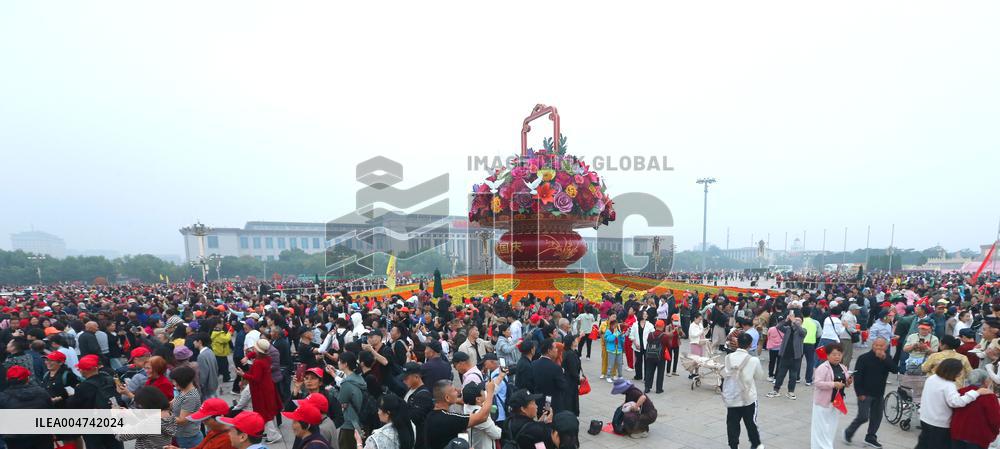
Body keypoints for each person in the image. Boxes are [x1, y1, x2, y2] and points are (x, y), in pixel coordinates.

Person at [917, 358, 991, 449]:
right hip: (939, 423)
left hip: (925, 417)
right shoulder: (948, 385)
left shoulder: (932, 378)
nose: (960, 373)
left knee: (923, 443)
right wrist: (976, 393)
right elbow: (956, 402)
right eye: (959, 371)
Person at [844, 337, 896, 448]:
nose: (878, 348)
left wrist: (885, 358)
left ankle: (871, 437)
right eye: (876, 345)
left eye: (881, 346)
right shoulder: (863, 358)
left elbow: (895, 369)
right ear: (872, 345)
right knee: (863, 416)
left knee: (877, 417)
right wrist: (859, 393)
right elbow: (858, 377)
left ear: (886, 347)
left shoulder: (887, 358)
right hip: (865, 393)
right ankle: (849, 431)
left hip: (879, 393)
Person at [67, 354, 124, 449]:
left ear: (84, 370)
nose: (79, 370)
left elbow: (75, 407)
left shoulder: (82, 387)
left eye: (80, 368)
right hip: (112, 420)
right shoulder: (110, 379)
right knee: (115, 444)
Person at [424, 378, 496, 449]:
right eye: (454, 390)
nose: (458, 392)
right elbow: (482, 417)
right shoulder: (450, 419)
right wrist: (490, 392)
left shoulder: (430, 416)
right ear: (447, 398)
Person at [722, 332, 765, 449]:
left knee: (732, 424)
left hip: (732, 397)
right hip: (748, 398)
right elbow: (759, 376)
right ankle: (755, 445)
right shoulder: (753, 360)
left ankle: (733, 446)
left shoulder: (728, 358)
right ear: (750, 345)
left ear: (738, 343)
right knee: (751, 424)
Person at [236, 339, 283, 444]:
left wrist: (243, 374)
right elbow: (256, 353)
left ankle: (273, 435)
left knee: (264, 413)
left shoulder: (258, 362)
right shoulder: (266, 358)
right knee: (266, 412)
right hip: (267, 388)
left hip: (261, 391)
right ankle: (269, 432)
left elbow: (256, 378)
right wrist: (248, 356)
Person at [0, 365, 53, 449]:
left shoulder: (3, 398)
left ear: (7, 380)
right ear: (28, 378)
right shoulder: (42, 393)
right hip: (41, 436)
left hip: (16, 439)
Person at [951, 369, 1000, 449]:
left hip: (957, 433)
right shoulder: (989, 396)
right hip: (977, 437)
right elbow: (995, 420)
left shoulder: (960, 392)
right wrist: (995, 433)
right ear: (985, 382)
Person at [767, 312, 804, 400]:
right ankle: (776, 390)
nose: (796, 322)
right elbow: (778, 326)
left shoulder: (802, 331)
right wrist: (786, 320)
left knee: (793, 375)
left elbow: (802, 332)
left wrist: (794, 321)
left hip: (796, 357)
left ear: (802, 323)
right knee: (781, 374)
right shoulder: (788, 329)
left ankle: (791, 391)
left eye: (798, 321)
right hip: (785, 355)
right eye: (795, 320)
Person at [337, 351, 369, 449]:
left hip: (349, 423)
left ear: (345, 364)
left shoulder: (346, 383)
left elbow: (341, 404)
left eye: (339, 360)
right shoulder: (359, 378)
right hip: (361, 422)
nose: (338, 362)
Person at [531, 338, 569, 414]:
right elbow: (562, 386)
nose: (557, 350)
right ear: (549, 351)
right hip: (551, 402)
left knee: (542, 419)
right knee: (549, 418)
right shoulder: (555, 368)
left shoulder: (533, 364)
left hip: (538, 401)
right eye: (555, 348)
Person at [171, 365, 205, 448]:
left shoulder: (190, 397)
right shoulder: (183, 391)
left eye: (175, 381)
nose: (174, 383)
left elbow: (182, 420)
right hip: (183, 435)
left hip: (188, 438)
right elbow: (172, 403)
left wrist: (163, 416)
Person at [401, 362, 433, 449]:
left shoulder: (423, 395)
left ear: (416, 377)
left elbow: (415, 418)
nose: (404, 381)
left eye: (406, 378)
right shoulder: (410, 389)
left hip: (418, 440)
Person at [461, 383, 501, 449]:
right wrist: (497, 428)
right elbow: (497, 434)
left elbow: (489, 392)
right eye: (482, 391)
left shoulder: (467, 405)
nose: (484, 391)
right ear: (478, 399)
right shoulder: (480, 416)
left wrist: (500, 377)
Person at [560, 334, 582, 415]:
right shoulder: (571, 354)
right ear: (572, 342)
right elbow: (573, 371)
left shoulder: (567, 352)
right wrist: (579, 380)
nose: (577, 340)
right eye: (575, 340)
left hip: (567, 380)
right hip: (570, 382)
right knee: (570, 401)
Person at [195, 332, 220, 399]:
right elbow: (216, 368)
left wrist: (200, 386)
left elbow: (203, 376)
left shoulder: (201, 356)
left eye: (195, 341)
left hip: (207, 388)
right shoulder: (210, 351)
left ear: (200, 342)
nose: (193, 343)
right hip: (214, 384)